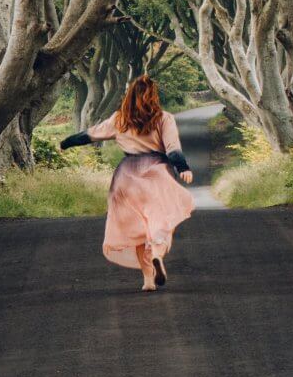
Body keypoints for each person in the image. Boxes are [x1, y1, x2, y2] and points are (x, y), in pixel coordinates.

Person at [61, 74, 194, 291]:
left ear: (129, 96)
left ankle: (148, 280)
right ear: (154, 96)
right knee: (159, 220)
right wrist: (183, 168)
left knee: (138, 228)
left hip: (127, 177)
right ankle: (158, 254)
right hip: (156, 172)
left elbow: (89, 135)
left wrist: (65, 143)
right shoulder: (164, 118)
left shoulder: (119, 119)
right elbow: (173, 149)